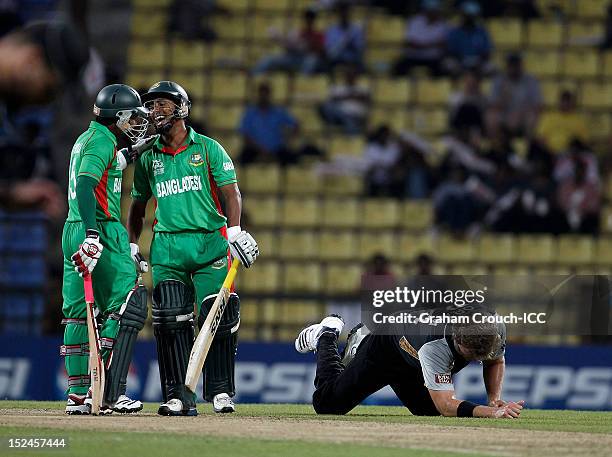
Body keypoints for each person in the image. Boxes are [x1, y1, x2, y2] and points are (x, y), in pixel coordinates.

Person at [128, 81, 259, 416]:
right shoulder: (147, 156)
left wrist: (234, 231)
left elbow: (232, 193)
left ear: (182, 108)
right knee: (169, 319)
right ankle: (177, 395)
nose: (156, 110)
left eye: (164, 104)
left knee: (219, 315)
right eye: (152, 105)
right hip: (168, 247)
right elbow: (138, 205)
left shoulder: (208, 148)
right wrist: (131, 243)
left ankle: (220, 391)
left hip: (209, 246)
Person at [62, 84, 153, 414]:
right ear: (119, 117)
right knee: (127, 302)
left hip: (71, 227)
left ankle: (79, 394)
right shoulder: (101, 141)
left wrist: (135, 151)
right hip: (100, 227)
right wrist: (92, 233)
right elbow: (87, 183)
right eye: (132, 118)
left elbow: (108, 166)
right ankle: (111, 389)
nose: (136, 123)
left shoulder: (88, 138)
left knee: (76, 311)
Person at [295, 314, 525, 418]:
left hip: (413, 359)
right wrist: (492, 412)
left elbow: (495, 360)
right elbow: (446, 404)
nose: (476, 360)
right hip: (385, 350)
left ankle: (356, 347)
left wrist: (494, 398)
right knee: (327, 405)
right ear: (456, 336)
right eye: (470, 354)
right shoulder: (434, 345)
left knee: (428, 411)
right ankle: (327, 333)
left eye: (480, 355)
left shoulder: (493, 327)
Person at [238, 81, 299, 165]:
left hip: (276, 148)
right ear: (258, 95)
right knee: (242, 160)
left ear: (269, 95)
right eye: (261, 94)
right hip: (255, 149)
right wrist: (259, 149)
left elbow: (295, 125)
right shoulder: (250, 113)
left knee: (292, 160)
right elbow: (245, 134)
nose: (263, 97)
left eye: (265, 94)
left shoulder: (278, 112)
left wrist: (287, 140)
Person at [252, 9, 325, 75]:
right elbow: (288, 47)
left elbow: (321, 52)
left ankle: (302, 83)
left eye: (310, 18)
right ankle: (252, 75)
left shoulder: (318, 35)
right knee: (269, 59)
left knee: (311, 61)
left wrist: (309, 45)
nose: (308, 20)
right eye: (307, 18)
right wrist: (281, 41)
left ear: (313, 20)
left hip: (305, 59)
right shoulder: (298, 32)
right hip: (293, 58)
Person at [487, 54, 542, 137]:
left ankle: (528, 146)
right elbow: (493, 105)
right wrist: (504, 98)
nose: (513, 68)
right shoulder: (499, 80)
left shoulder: (530, 80)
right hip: (504, 114)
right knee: (491, 116)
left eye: (516, 65)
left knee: (532, 117)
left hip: (524, 114)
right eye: (511, 65)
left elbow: (537, 105)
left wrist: (520, 113)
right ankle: (495, 145)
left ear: (520, 66)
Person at [391, 0, 449, 77]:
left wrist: (422, 45)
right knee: (399, 68)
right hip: (413, 56)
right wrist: (432, 44)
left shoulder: (443, 24)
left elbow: (442, 44)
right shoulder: (415, 21)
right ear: (425, 11)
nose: (433, 13)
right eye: (431, 10)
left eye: (435, 10)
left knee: (442, 71)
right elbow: (411, 43)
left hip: (433, 58)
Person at [318, 64, 370, 134]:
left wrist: (345, 96)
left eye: (352, 75)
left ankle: (351, 136)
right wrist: (352, 96)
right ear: (345, 76)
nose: (350, 77)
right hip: (339, 113)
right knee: (326, 106)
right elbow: (332, 99)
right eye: (348, 75)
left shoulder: (362, 88)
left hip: (355, 115)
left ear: (356, 77)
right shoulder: (338, 87)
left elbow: (366, 99)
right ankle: (333, 125)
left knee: (349, 120)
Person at [444, 1, 492, 76]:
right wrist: (462, 61)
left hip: (478, 61)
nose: (470, 18)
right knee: (449, 64)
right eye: (467, 16)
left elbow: (487, 51)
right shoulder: (455, 32)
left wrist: (478, 61)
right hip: (459, 61)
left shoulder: (482, 32)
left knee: (490, 68)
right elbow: (450, 51)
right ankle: (456, 85)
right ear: (463, 15)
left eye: (472, 16)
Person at [324, 2, 365, 71]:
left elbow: (360, 49)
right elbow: (329, 52)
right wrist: (343, 43)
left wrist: (351, 44)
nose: (344, 14)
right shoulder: (331, 30)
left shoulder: (356, 30)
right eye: (342, 11)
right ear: (338, 13)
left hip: (353, 61)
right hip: (336, 61)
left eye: (346, 11)